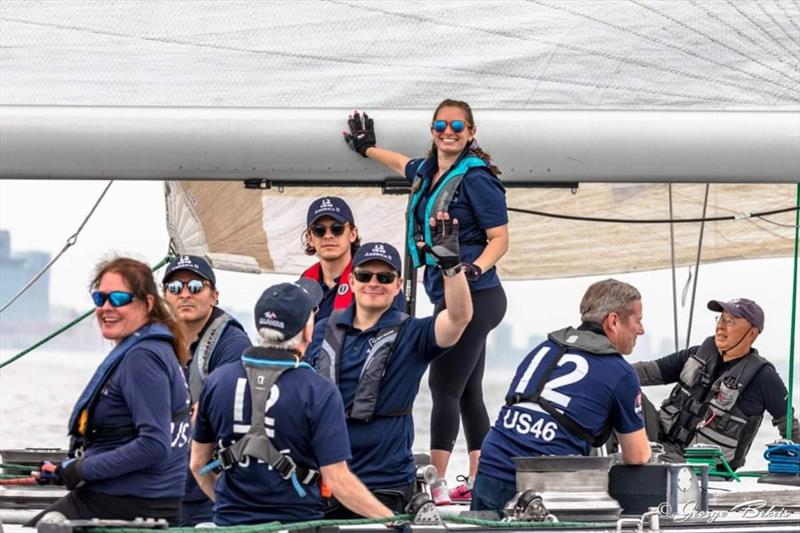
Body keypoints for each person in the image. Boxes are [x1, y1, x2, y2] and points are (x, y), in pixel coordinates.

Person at [343, 100, 509, 504]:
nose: (447, 131)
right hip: (451, 295)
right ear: (432, 129)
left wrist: (472, 271)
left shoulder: (477, 179)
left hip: (477, 296)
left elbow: (500, 239)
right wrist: (366, 148)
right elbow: (400, 162)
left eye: (456, 125)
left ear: (471, 133)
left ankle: (434, 484)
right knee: (467, 389)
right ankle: (477, 477)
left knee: (443, 385)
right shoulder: (427, 171)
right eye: (440, 124)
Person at [190, 281, 393, 524]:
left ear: (259, 327)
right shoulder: (319, 391)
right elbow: (338, 481)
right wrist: (392, 520)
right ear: (308, 331)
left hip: (231, 525)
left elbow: (198, 464)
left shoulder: (217, 381)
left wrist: (228, 506)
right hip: (297, 523)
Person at [306, 227, 473, 516]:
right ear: (352, 281)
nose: (374, 283)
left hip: (385, 484)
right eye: (365, 276)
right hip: (323, 481)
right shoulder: (321, 330)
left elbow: (459, 318)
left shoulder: (414, 333)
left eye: (384, 278)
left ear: (398, 285)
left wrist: (451, 268)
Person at [29, 257, 191, 524]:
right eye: (99, 298)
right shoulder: (152, 349)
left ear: (148, 303)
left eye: (117, 298)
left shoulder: (143, 358)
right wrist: (66, 469)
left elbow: (154, 444)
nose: (106, 307)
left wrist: (82, 468)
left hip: (127, 504)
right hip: (137, 500)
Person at [472, 279, 652, 514]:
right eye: (637, 320)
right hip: (543, 489)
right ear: (613, 321)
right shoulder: (621, 372)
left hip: (490, 466)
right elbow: (637, 455)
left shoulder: (544, 349)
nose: (641, 329)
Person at [634, 298, 799, 472]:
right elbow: (646, 372)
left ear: (752, 333)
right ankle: (607, 457)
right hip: (659, 444)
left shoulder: (764, 377)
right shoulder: (696, 354)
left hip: (703, 467)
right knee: (624, 388)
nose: (721, 326)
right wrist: (609, 370)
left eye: (730, 321)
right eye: (720, 319)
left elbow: (791, 427)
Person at [161, 254, 252, 526]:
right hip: (162, 482)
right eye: (175, 288)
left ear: (214, 296)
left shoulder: (232, 344)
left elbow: (218, 412)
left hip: (207, 486)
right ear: (165, 297)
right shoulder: (157, 340)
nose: (185, 294)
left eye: (196, 287)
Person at [300, 196, 403, 320]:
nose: (328, 236)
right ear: (310, 238)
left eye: (337, 229)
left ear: (353, 234)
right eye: (319, 230)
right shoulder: (304, 283)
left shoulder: (378, 283)